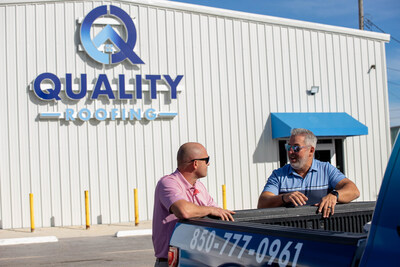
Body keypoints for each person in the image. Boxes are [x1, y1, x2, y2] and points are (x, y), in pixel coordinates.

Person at [152, 142, 235, 267]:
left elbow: (217, 212)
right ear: (195, 163)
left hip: (196, 262)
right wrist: (210, 210)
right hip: (172, 263)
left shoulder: (199, 187)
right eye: (206, 160)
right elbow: (184, 210)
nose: (209, 164)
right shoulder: (168, 183)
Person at [257, 128, 360, 218]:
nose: (290, 152)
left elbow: (353, 191)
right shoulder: (278, 175)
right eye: (289, 147)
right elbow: (262, 203)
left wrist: (334, 195)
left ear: (311, 150)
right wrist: (284, 197)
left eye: (296, 148)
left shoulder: (326, 170)